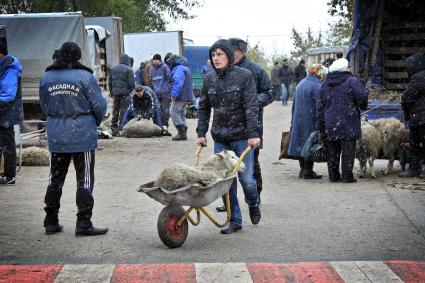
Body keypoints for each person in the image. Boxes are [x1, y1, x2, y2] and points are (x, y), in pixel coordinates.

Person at [39, 42, 108, 235]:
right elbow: (99, 106)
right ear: (77, 57)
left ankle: (50, 221)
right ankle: (83, 223)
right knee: (84, 180)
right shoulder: (85, 77)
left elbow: (44, 106)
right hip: (82, 136)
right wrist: (92, 121)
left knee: (55, 178)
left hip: (57, 135)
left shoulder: (46, 77)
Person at [196, 39, 261, 234]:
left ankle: (253, 201)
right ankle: (235, 219)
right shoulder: (209, 79)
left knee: (246, 179)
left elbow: (251, 106)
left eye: (220, 54)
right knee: (225, 182)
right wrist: (201, 133)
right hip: (221, 138)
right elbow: (204, 108)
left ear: (229, 56)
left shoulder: (245, 76)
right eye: (213, 55)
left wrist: (253, 134)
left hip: (242, 137)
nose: (216, 58)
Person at [227, 37, 273, 205]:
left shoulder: (255, 70)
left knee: (252, 162)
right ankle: (229, 202)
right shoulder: (224, 70)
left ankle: (255, 195)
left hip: (251, 123)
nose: (228, 55)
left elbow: (270, 92)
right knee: (227, 163)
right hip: (228, 125)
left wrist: (250, 101)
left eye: (231, 52)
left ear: (241, 52)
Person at [316, 58, 368, 183]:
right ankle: (347, 176)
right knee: (348, 150)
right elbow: (362, 98)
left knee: (332, 150)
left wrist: (321, 124)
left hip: (331, 122)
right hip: (348, 121)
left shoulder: (325, 84)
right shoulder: (351, 81)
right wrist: (362, 103)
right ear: (345, 69)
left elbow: (319, 106)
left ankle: (333, 176)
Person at [288, 64, 328, 179]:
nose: (324, 77)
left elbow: (294, 104)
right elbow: (319, 106)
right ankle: (308, 171)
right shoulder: (317, 86)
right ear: (318, 73)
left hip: (298, 118)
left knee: (301, 144)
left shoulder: (301, 83)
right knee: (310, 144)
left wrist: (293, 120)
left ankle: (302, 169)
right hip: (310, 119)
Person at [399, 53, 425, 179]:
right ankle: (416, 169)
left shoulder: (418, 78)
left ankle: (414, 169)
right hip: (418, 116)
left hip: (419, 116)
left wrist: (407, 111)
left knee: (414, 144)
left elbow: (407, 97)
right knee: (415, 143)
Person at [0, 43, 23, 186]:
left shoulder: (10, 69)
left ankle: (10, 176)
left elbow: (8, 96)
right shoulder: (4, 67)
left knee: (7, 146)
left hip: (6, 113)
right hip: (3, 113)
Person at [166, 54, 194, 141]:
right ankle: (183, 133)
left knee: (173, 112)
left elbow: (178, 82)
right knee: (181, 113)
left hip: (180, 95)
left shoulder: (179, 69)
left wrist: (174, 94)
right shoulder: (185, 68)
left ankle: (181, 132)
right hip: (186, 95)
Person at [108, 54, 135, 136]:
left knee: (115, 108)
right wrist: (131, 91)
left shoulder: (113, 69)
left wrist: (112, 91)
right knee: (124, 109)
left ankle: (113, 125)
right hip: (125, 93)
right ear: (127, 60)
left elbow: (109, 82)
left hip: (115, 92)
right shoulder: (128, 69)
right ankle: (121, 126)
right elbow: (131, 83)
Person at [151, 54, 172, 135]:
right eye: (154, 60)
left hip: (165, 93)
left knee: (165, 110)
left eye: (157, 59)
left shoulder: (165, 67)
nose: (155, 61)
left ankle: (165, 127)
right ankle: (158, 127)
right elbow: (152, 81)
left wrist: (168, 90)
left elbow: (169, 79)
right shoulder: (153, 70)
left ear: (160, 60)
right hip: (156, 93)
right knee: (157, 110)